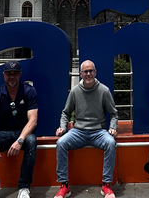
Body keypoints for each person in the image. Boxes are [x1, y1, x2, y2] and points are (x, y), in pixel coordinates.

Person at [54, 60, 118, 198]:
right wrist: (62, 127)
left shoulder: (104, 91)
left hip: (98, 132)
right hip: (78, 132)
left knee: (111, 143)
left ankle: (106, 185)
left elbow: (113, 114)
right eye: (85, 72)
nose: (88, 74)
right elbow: (65, 113)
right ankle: (64, 185)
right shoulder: (75, 91)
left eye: (91, 71)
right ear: (80, 74)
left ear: (95, 72)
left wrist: (112, 128)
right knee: (61, 143)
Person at [0, 61, 38, 198]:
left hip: (23, 133)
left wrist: (20, 140)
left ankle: (24, 187)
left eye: (15, 73)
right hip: (3, 134)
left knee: (32, 141)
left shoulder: (29, 91)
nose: (12, 77)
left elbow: (33, 120)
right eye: (9, 74)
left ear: (20, 74)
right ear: (4, 75)